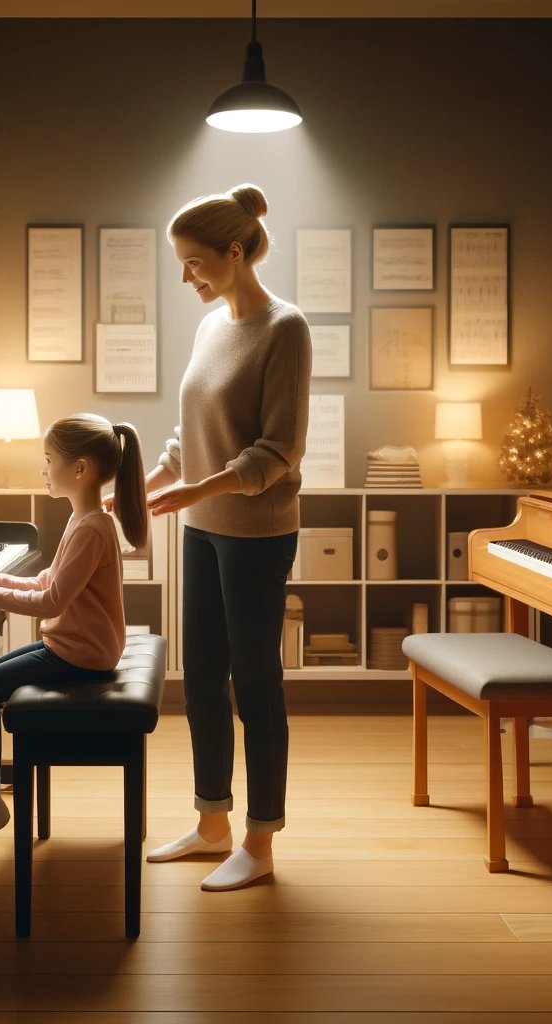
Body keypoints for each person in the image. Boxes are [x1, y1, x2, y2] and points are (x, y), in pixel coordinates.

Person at [141, 183, 311, 892]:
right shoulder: (212, 327)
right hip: (203, 529)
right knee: (200, 679)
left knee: (255, 683)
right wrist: (148, 483)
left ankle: (260, 841)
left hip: (255, 533)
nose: (188, 278)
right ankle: (212, 823)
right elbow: (193, 432)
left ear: (234, 252)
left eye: (194, 263)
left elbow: (279, 453)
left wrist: (197, 490)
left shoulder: (285, 328)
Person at [0, 413, 146, 879]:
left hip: (82, 656)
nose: (44, 470)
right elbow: (51, 579)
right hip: (76, 646)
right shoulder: (86, 518)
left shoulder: (91, 527)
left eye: (49, 461)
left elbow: (50, 599)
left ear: (81, 468)